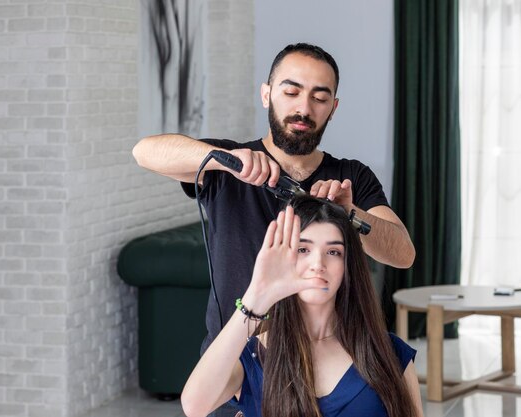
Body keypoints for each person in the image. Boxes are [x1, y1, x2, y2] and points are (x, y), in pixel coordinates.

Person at [133, 43, 415, 416]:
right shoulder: (227, 166)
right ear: (267, 95)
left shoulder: (352, 177)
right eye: (291, 91)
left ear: (333, 107)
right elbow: (145, 152)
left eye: (320, 97)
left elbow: (402, 253)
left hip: (330, 360)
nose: (303, 107)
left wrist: (351, 215)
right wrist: (223, 161)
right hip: (239, 368)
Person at [181, 196, 424, 417]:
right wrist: (256, 296)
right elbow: (194, 406)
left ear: (348, 267)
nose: (318, 263)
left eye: (333, 252)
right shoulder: (253, 357)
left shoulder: (389, 353)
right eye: (303, 249)